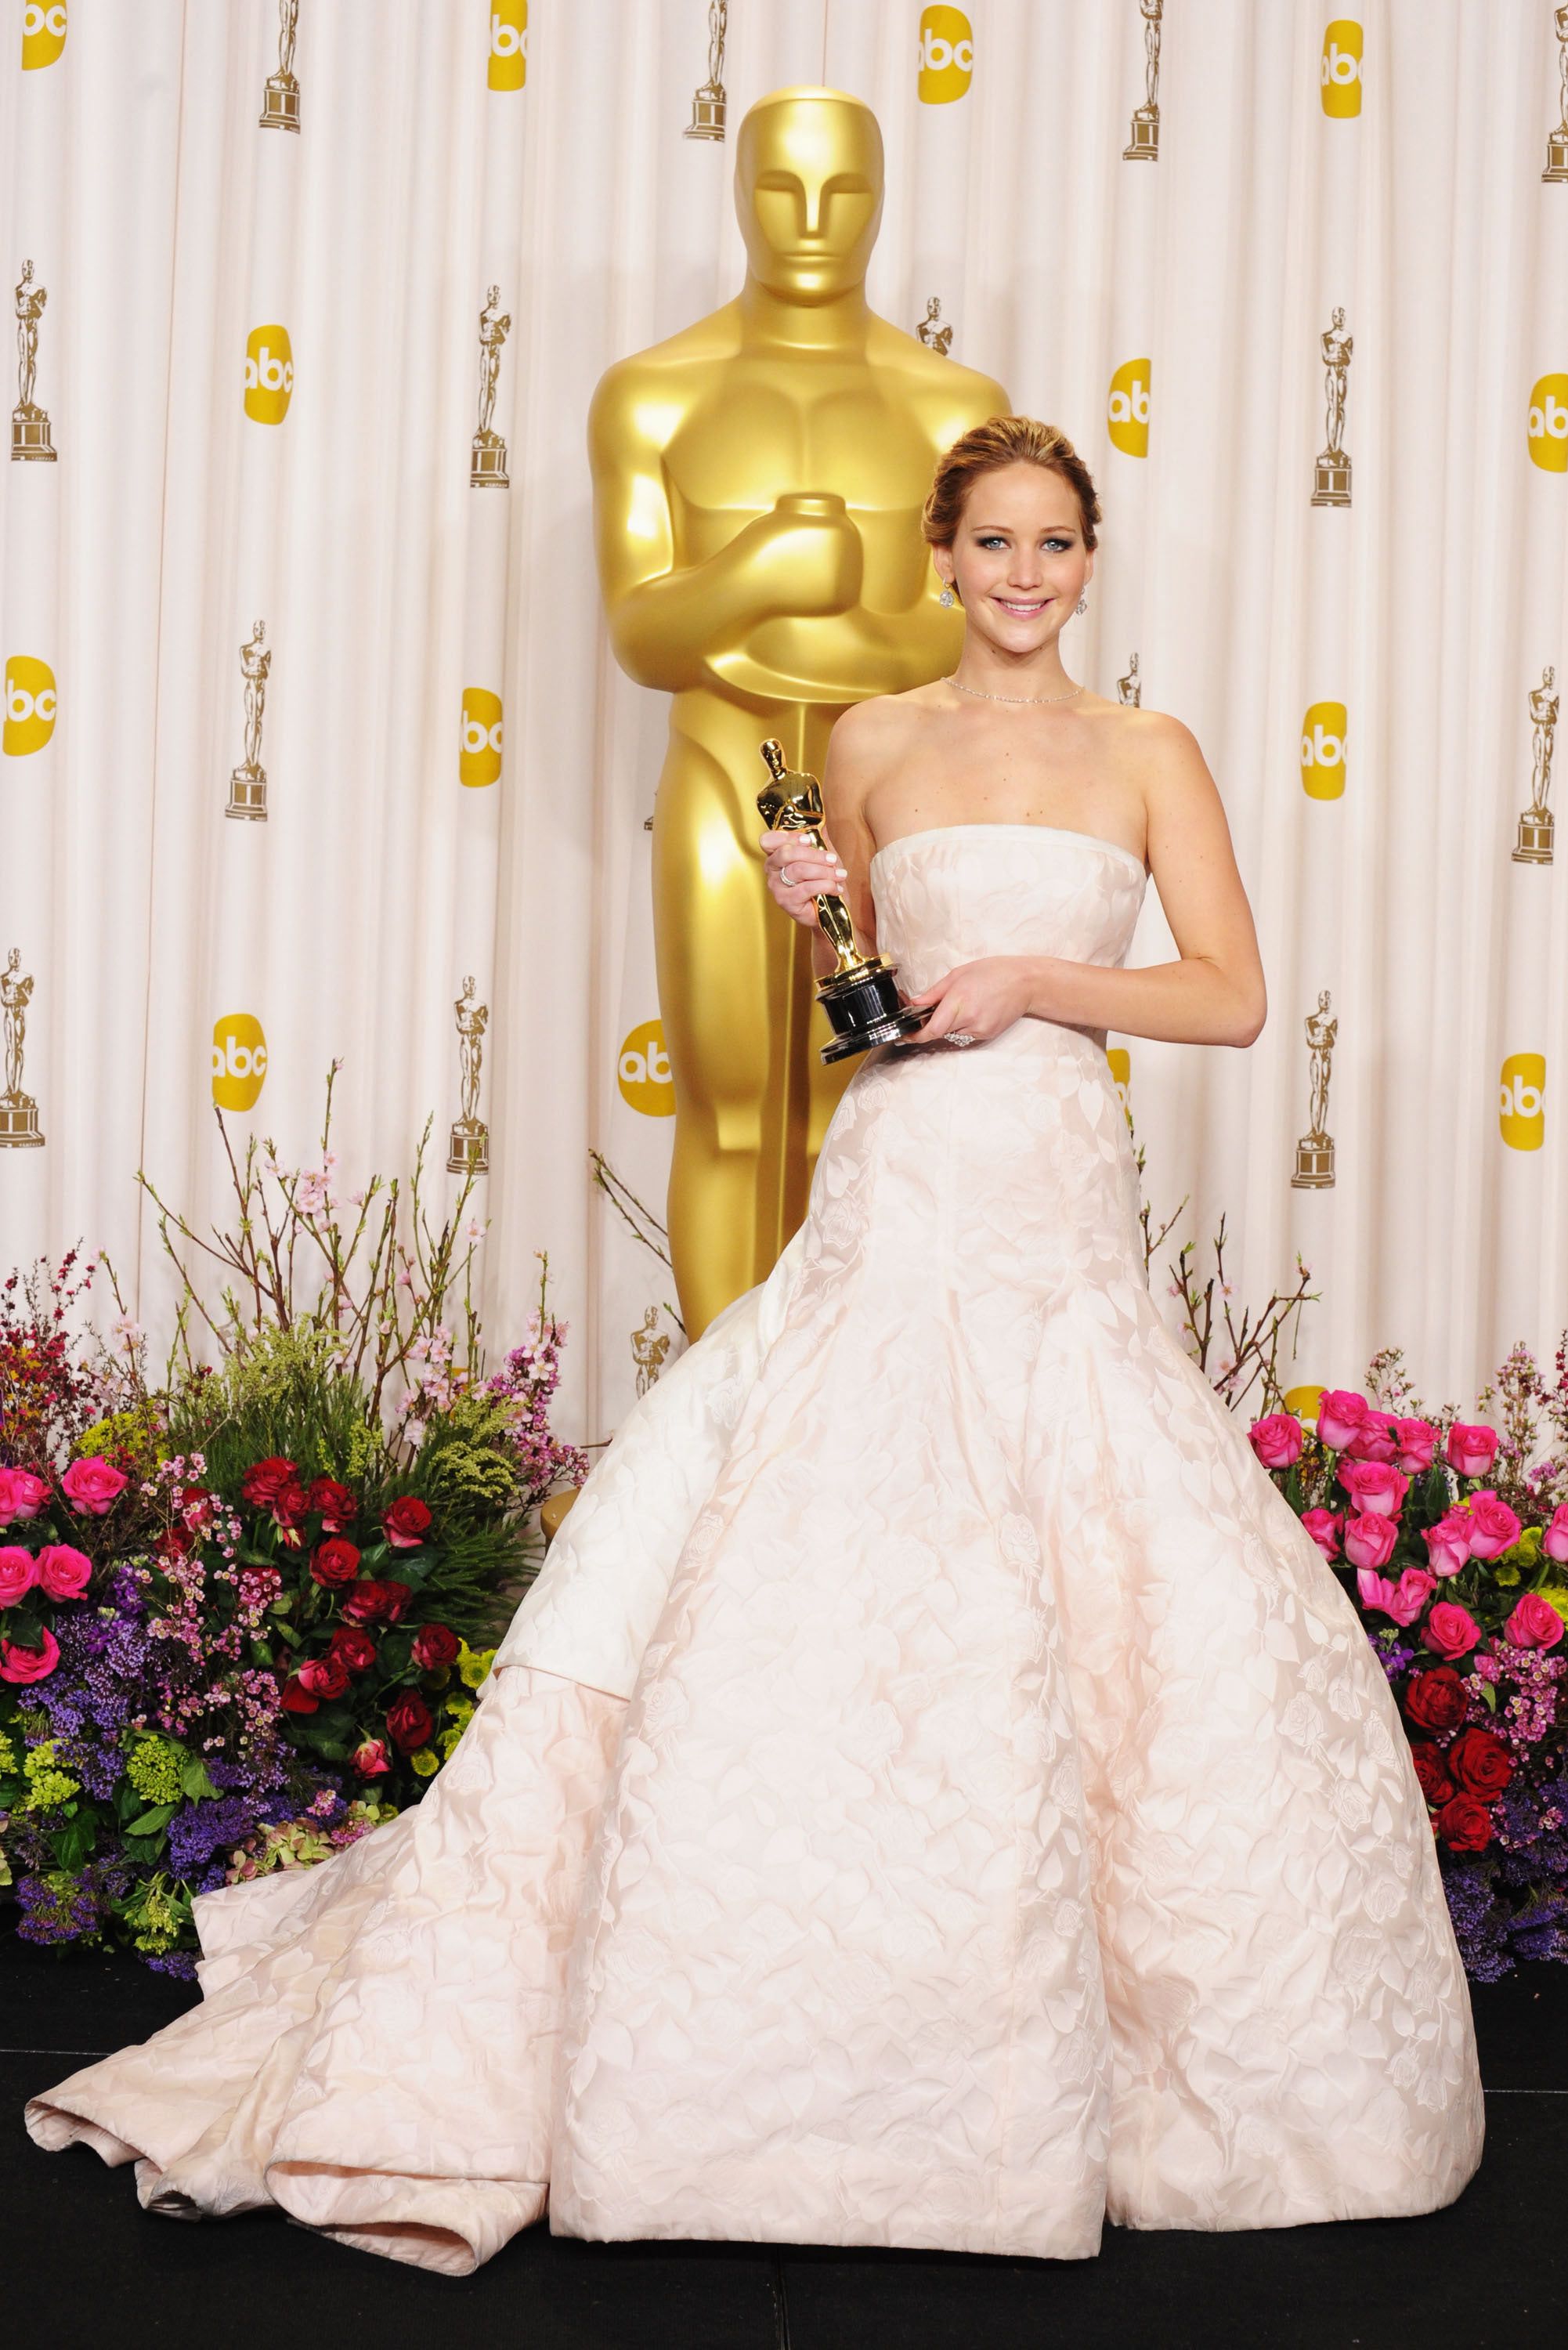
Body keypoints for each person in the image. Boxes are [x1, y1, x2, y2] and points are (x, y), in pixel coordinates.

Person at [25, 416, 1485, 2275]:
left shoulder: (1145, 752)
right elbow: (868, 1001)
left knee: (1097, 1515)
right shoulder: (865, 744)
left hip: (1050, 1172)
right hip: (898, 1163)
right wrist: (819, 927)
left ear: (1087, 561)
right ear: (940, 560)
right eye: (993, 543)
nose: (1024, 574)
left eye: (1055, 542)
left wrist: (1036, 980)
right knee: (830, 1505)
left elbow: (1226, 992)